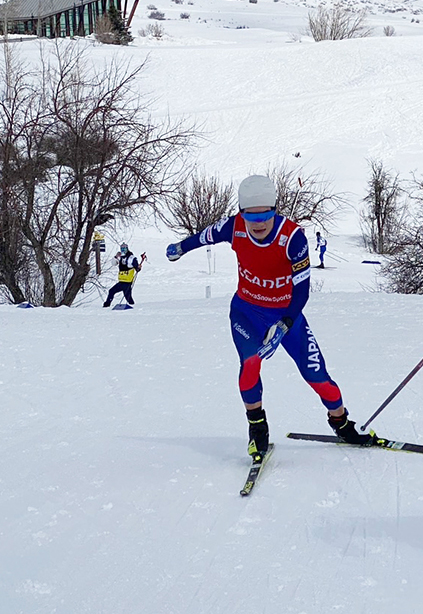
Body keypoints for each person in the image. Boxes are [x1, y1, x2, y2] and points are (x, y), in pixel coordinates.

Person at [165, 175, 372, 458]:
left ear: (275, 210)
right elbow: (204, 236)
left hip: (287, 315)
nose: (259, 223)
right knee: (250, 365)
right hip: (247, 312)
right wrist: (180, 248)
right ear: (242, 213)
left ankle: (342, 423)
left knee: (317, 376)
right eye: (252, 216)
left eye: (266, 215)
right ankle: (257, 427)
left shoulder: (292, 238)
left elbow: (302, 292)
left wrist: (285, 325)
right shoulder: (234, 227)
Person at [103, 242, 145, 307]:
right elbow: (113, 263)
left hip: (127, 282)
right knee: (114, 292)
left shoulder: (131, 258)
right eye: (122, 248)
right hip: (121, 281)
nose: (123, 250)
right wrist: (116, 257)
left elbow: (137, 268)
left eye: (124, 248)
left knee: (125, 296)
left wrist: (138, 268)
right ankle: (107, 305)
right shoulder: (120, 257)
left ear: (127, 249)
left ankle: (107, 305)